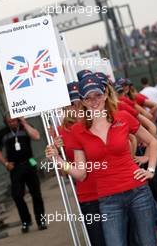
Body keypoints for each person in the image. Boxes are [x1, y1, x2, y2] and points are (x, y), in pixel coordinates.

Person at [46, 75, 157, 245]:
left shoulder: (123, 117)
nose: (94, 101)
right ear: (82, 101)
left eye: (97, 95)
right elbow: (81, 174)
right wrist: (58, 159)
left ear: (105, 94)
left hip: (138, 192)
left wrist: (150, 170)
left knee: (147, 242)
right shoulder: (78, 130)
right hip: (108, 200)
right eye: (88, 97)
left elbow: (152, 141)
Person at [51, 80, 105, 246]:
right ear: (65, 107)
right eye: (70, 104)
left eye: (77, 103)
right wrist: (58, 157)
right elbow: (63, 174)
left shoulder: (98, 121)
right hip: (88, 196)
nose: (75, 109)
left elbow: (128, 142)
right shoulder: (59, 132)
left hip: (113, 191)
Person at [0, 113, 46, 233]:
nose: (12, 123)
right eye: (9, 121)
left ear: (17, 119)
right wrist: (6, 163)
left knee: (36, 194)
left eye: (14, 121)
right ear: (6, 122)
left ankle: (41, 220)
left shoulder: (25, 127)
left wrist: (24, 122)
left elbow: (37, 136)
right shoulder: (3, 133)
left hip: (29, 163)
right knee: (17, 195)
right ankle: (26, 221)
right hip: (15, 167)